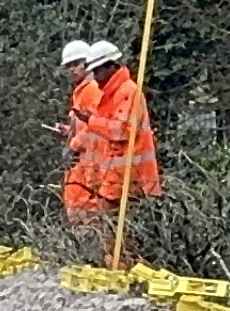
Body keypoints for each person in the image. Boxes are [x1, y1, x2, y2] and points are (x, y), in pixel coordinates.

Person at [70, 40, 162, 224]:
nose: (95, 77)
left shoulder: (128, 92)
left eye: (98, 71)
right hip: (114, 182)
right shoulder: (108, 95)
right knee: (107, 229)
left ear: (111, 67)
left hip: (135, 180)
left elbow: (121, 132)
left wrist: (91, 120)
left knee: (127, 231)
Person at [56, 40, 108, 223]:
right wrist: (68, 132)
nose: (72, 69)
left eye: (76, 64)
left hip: (91, 166)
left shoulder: (92, 90)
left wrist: (73, 145)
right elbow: (83, 125)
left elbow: (96, 126)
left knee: (89, 217)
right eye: (68, 65)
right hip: (82, 165)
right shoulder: (80, 91)